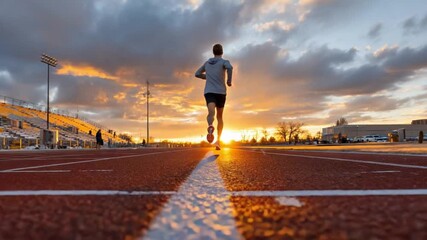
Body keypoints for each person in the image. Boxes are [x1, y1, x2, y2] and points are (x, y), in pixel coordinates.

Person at [195, 43, 233, 150]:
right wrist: (229, 81)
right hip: (221, 92)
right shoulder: (224, 62)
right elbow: (230, 68)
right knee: (220, 117)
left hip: (209, 92)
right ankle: (218, 141)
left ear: (213, 52)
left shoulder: (207, 63)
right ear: (222, 52)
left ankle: (210, 126)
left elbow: (197, 74)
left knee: (211, 112)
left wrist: (207, 77)